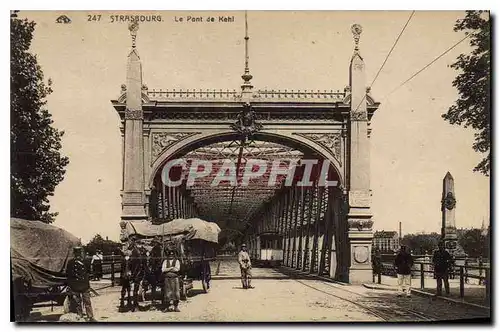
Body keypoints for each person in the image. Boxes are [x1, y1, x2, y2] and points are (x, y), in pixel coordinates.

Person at [66, 246, 96, 322]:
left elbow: (89, 272)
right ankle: (80, 316)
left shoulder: (85, 261)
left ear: (81, 253)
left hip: (84, 285)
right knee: (77, 302)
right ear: (74, 254)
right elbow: (68, 275)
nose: (78, 255)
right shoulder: (71, 262)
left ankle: (90, 317)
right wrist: (70, 285)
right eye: (76, 253)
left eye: (79, 253)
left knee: (87, 301)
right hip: (75, 285)